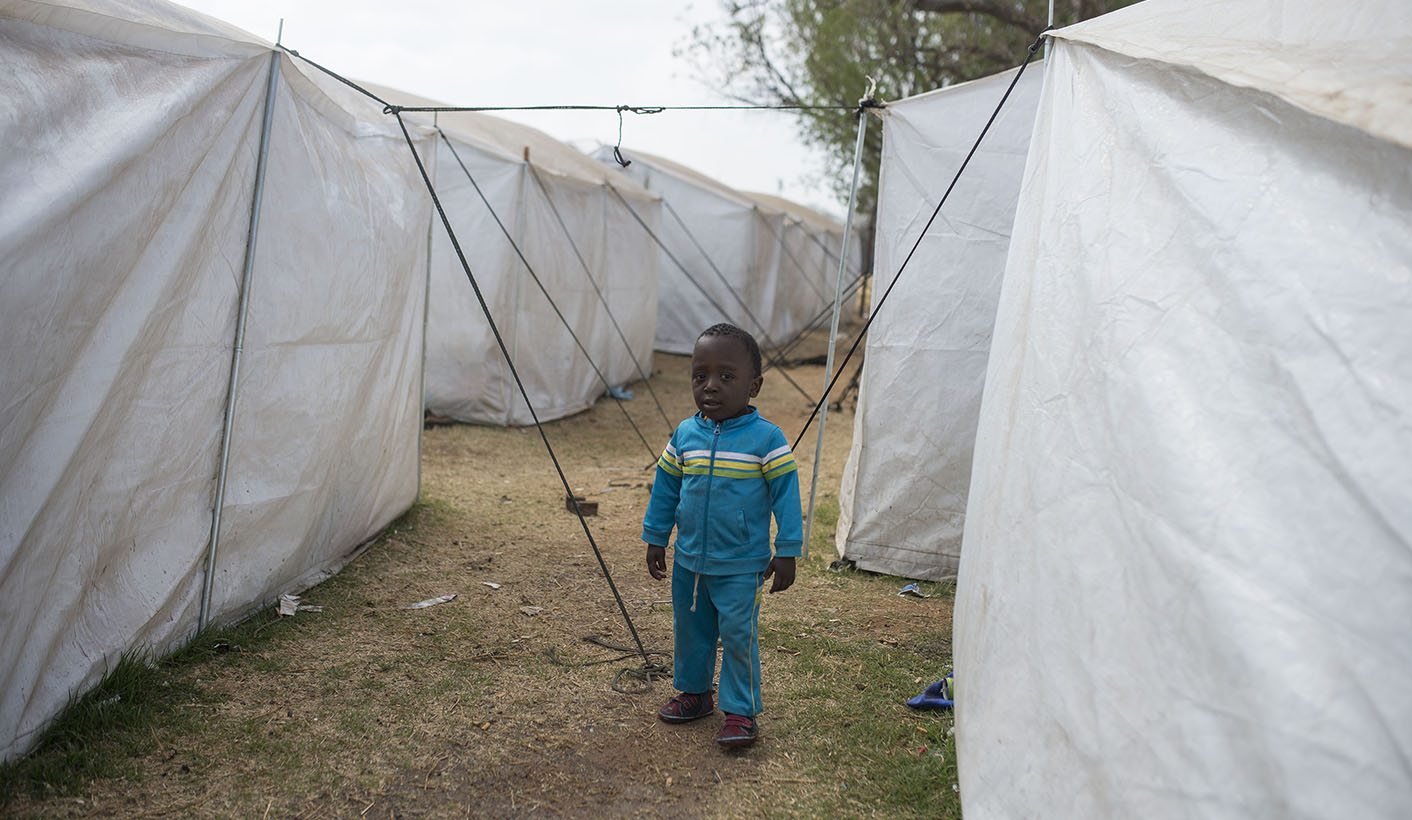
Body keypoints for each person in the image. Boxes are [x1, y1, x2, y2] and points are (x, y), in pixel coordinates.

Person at [642, 322, 803, 748]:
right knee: (691, 630)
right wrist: (656, 536)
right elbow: (666, 489)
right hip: (689, 562)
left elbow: (787, 496)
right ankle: (695, 693)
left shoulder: (767, 439)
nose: (711, 386)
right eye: (701, 376)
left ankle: (740, 711)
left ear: (754, 386)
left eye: (726, 377)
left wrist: (787, 550)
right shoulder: (684, 435)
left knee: (737, 635)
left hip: (740, 566)